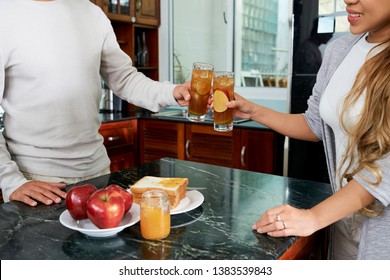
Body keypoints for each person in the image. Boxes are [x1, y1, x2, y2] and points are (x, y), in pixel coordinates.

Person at [227, 0, 390, 259]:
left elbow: (385, 169)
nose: (349, 0)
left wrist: (313, 217)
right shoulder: (340, 51)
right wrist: (253, 110)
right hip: (341, 221)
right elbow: (315, 123)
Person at [0, 0, 190, 206]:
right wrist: (11, 181)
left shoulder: (92, 13)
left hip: (97, 173)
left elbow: (125, 79)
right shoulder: (5, 14)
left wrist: (172, 92)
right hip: (37, 180)